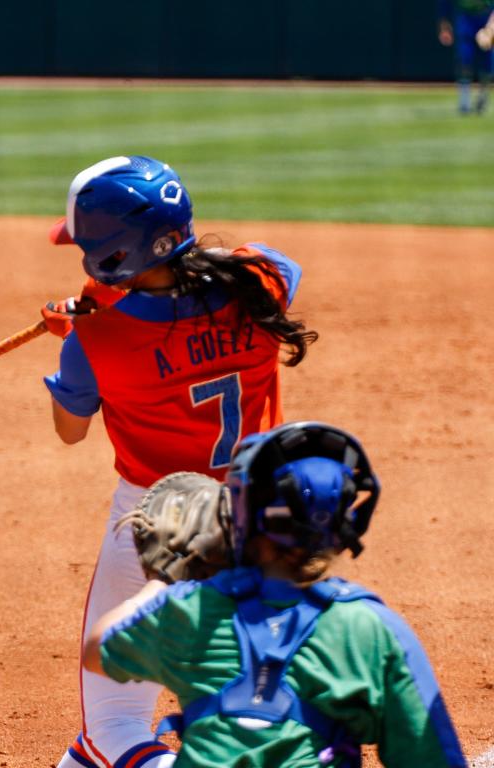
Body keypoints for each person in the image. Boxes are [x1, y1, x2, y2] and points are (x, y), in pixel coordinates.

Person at [41, 155, 317, 768]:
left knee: (113, 728)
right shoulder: (261, 282)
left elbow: (69, 431)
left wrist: (75, 332)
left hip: (154, 528)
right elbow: (257, 268)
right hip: (262, 526)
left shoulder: (98, 338)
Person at [82, 422, 467, 767]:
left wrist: (167, 581)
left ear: (240, 515)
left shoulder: (195, 612)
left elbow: (97, 649)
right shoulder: (370, 630)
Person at [438, 0, 494, 114]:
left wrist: (490, 28)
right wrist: (444, 25)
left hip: (486, 15)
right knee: (465, 58)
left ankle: (483, 95)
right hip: (467, 16)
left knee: (487, 61)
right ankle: (464, 100)